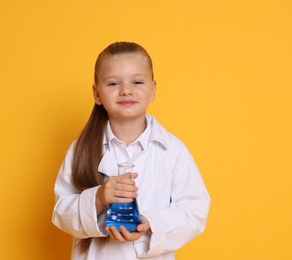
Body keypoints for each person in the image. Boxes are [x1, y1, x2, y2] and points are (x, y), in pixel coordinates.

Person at [52, 41, 211, 259]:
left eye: (137, 82)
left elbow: (195, 211)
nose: (126, 90)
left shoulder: (172, 151)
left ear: (153, 90)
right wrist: (97, 198)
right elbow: (61, 213)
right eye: (113, 84)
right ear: (97, 93)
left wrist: (151, 224)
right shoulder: (81, 149)